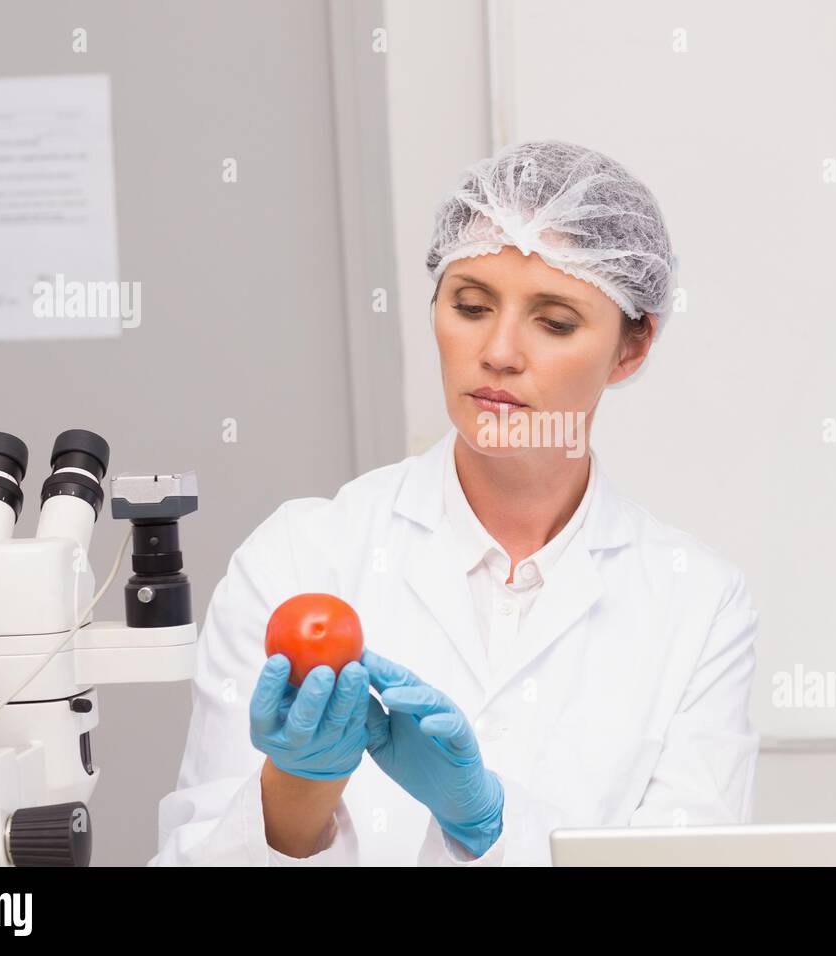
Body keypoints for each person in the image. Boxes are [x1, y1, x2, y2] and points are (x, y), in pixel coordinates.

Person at [149, 140, 760, 866]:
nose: (499, 351)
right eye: (470, 306)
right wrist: (294, 799)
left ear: (631, 348)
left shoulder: (698, 603)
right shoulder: (299, 557)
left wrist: (491, 826)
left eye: (555, 321)